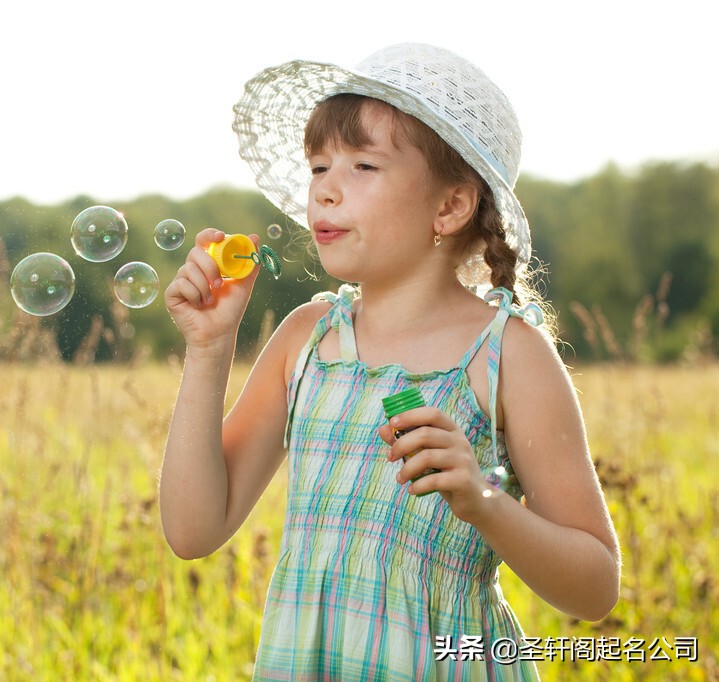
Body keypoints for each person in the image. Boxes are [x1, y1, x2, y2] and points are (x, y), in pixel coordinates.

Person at [159, 43, 620, 680]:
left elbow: (595, 588)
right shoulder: (307, 341)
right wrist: (209, 350)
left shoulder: (506, 355)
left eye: (363, 165)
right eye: (319, 165)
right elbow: (192, 530)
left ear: (450, 207)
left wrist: (483, 499)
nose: (324, 189)